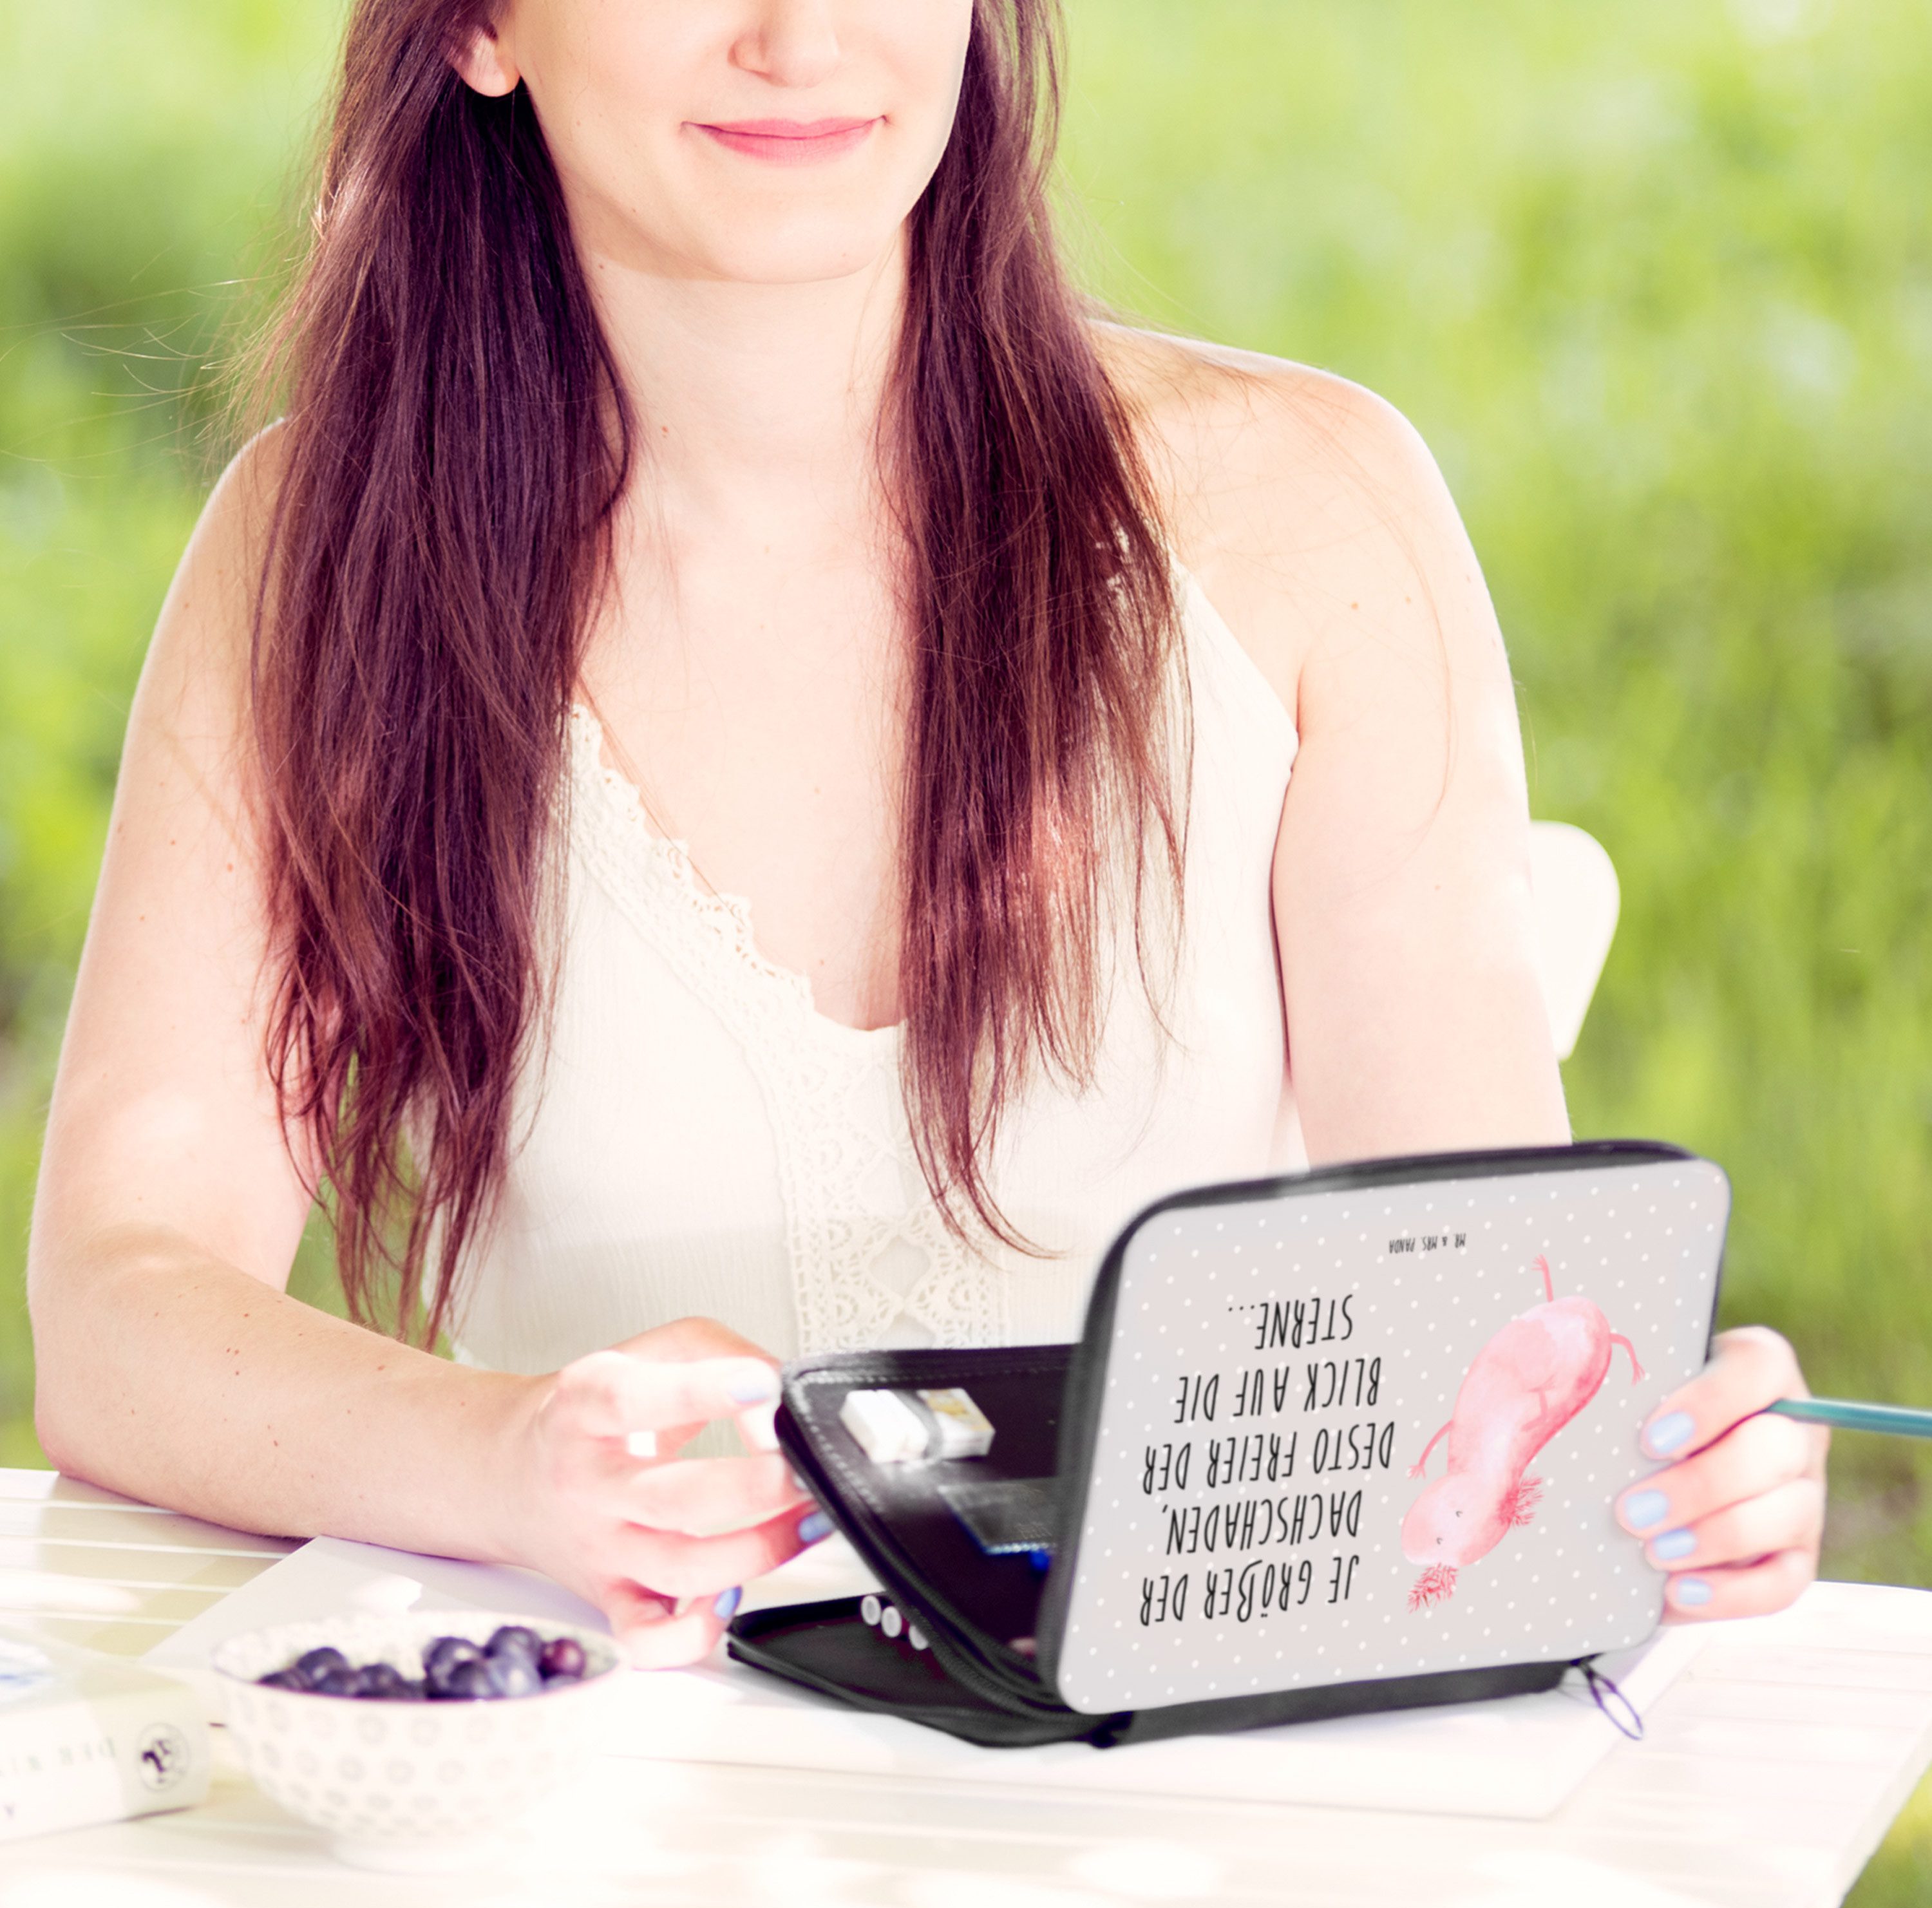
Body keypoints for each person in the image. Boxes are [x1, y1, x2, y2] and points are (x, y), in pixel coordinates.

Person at [26, 0, 1826, 1668]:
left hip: (1208, 1785)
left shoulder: (1307, 522)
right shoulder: (330, 555)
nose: (800, 38)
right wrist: (506, 1453)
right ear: (483, 25)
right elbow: (118, 1314)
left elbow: (1505, 1322)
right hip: (603, 1788)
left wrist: (1670, 1468)